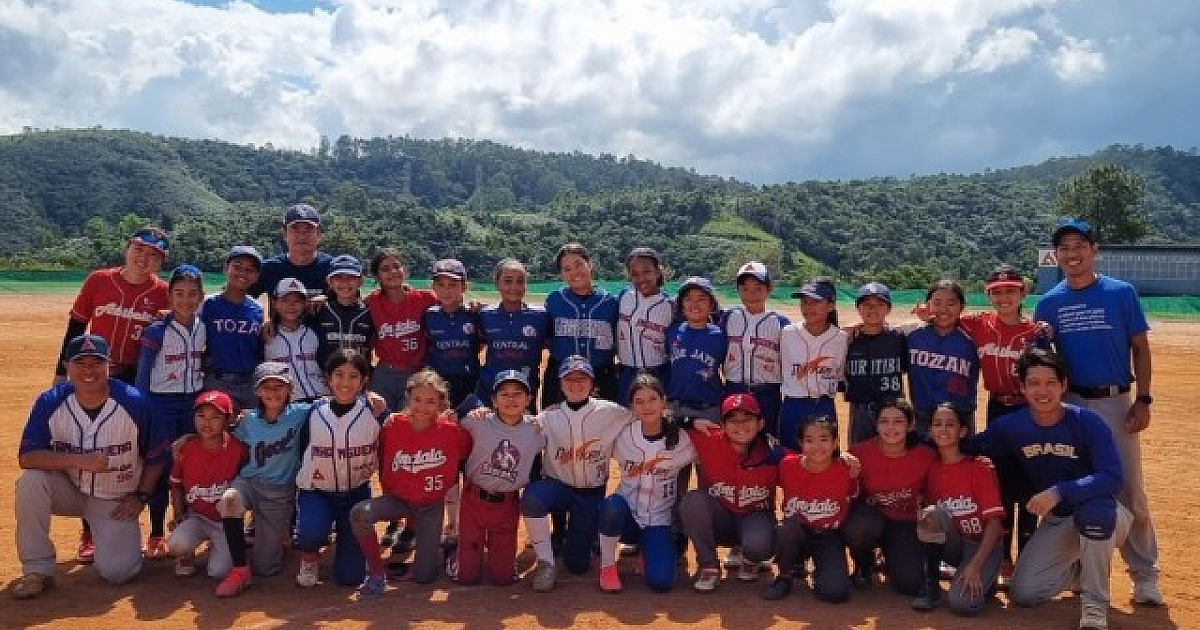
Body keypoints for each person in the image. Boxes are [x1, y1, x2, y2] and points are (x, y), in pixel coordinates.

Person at [1034, 218, 1162, 606]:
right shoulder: (1050, 302)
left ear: (1094, 250)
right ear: (1056, 256)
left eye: (1079, 246)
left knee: (1127, 487)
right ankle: (1074, 568)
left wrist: (1144, 399)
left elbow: (1139, 346)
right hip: (1069, 403)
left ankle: (1143, 575)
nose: (1072, 254)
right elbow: (1044, 358)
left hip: (1113, 400)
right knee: (1070, 483)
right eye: (1064, 248)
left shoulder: (1120, 293)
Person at [962, 347, 1132, 630]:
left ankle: (1094, 607)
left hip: (1104, 513)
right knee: (1024, 592)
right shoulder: (1012, 426)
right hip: (1060, 520)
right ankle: (1079, 567)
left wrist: (1059, 492)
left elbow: (1112, 477)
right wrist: (924, 439)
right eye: (1034, 383)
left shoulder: (1087, 422)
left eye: (1051, 383)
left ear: (1064, 386)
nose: (1043, 391)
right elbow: (967, 446)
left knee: (1095, 515)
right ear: (1022, 388)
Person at [12, 334, 168, 599]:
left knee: (119, 573)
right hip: (69, 489)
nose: (88, 370)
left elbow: (157, 456)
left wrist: (141, 497)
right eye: (80, 363)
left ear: (110, 366)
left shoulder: (133, 402)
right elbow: (27, 457)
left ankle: (114, 537)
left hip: (114, 500)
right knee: (30, 483)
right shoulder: (50, 402)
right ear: (67, 367)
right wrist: (78, 460)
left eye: (96, 362)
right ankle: (37, 570)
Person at [350, 369, 472, 597]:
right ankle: (376, 573)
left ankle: (448, 546)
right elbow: (380, 455)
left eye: (431, 401)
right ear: (408, 398)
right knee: (360, 514)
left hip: (430, 506)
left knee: (424, 577)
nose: (423, 407)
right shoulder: (392, 425)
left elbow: (468, 453)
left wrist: (475, 415)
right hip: (399, 501)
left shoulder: (451, 431)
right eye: (417, 399)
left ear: (440, 404)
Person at [957, 264, 1045, 576]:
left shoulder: (1036, 332)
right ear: (988, 295)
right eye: (997, 292)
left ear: (1023, 292)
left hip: (1029, 411)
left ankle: (1028, 557)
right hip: (997, 408)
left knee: (1030, 481)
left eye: (1011, 290)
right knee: (1001, 482)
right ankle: (1003, 557)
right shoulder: (978, 324)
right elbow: (941, 317)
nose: (1004, 297)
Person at [521, 355, 633, 591]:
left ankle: (582, 540)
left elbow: (645, 416)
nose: (575, 383)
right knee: (532, 496)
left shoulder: (612, 411)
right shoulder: (547, 417)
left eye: (582, 378)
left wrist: (686, 422)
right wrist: (480, 414)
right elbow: (513, 425)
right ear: (560, 384)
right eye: (569, 379)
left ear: (592, 382)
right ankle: (546, 562)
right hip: (558, 489)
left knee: (578, 565)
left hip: (590, 494)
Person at [213, 361, 313, 597]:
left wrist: (367, 398)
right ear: (256, 391)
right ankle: (239, 569)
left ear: (290, 390)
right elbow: (218, 437)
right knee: (230, 500)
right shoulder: (247, 420)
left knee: (265, 568)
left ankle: (273, 534)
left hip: (278, 492)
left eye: (279, 386)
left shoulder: (301, 413)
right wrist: (187, 438)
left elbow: (334, 403)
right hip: (248, 483)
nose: (273, 392)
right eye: (266, 387)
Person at [293, 349, 383, 588]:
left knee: (350, 578)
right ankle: (309, 557)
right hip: (317, 491)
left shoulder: (375, 413)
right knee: (312, 532)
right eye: (339, 375)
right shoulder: (312, 412)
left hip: (356, 494)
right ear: (328, 378)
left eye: (354, 376)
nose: (345, 382)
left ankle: (348, 545)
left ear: (364, 381)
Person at [598, 373, 696, 593]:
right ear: (631, 407)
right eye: (639, 402)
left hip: (658, 520)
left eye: (652, 399)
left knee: (661, 582)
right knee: (611, 506)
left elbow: (712, 447)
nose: (647, 406)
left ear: (664, 401)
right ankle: (607, 566)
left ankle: (648, 550)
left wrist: (693, 421)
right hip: (626, 517)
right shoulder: (622, 435)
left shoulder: (682, 438)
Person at [135, 264, 207, 559]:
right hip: (161, 404)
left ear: (202, 296)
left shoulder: (203, 327)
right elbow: (142, 374)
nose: (185, 300)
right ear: (169, 295)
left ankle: (184, 524)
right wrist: (143, 410)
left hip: (191, 402)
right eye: (179, 293)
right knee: (161, 465)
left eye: (193, 294)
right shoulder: (157, 330)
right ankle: (155, 532)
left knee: (187, 464)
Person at [680, 393, 782, 592]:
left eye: (748, 419)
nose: (740, 425)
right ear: (722, 424)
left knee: (759, 543)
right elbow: (662, 421)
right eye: (733, 420)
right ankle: (709, 565)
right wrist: (690, 420)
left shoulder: (772, 452)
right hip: (721, 520)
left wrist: (843, 460)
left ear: (761, 423)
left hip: (755, 518)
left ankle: (751, 557)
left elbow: (808, 464)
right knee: (692, 502)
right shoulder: (707, 439)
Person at [912, 402, 1004, 614]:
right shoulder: (931, 467)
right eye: (937, 424)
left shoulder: (979, 468)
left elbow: (994, 524)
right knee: (931, 514)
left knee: (963, 604)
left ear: (962, 431)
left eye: (950, 424)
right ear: (930, 430)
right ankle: (931, 587)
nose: (943, 430)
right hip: (954, 544)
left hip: (982, 547)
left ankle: (984, 578)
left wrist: (976, 566)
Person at [457, 370, 545, 586]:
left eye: (518, 394)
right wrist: (466, 409)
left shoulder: (537, 430)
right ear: (493, 400)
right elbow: (447, 422)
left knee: (502, 578)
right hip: (473, 499)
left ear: (529, 399)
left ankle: (498, 559)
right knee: (466, 576)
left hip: (507, 504)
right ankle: (455, 553)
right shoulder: (476, 421)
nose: (511, 399)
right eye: (504, 394)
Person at [842, 398, 936, 597]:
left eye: (898, 421)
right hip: (872, 517)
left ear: (910, 425)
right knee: (860, 528)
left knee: (909, 583)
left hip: (904, 522)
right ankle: (864, 562)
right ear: (876, 425)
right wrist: (839, 455)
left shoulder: (926, 455)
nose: (890, 427)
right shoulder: (859, 453)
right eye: (884, 421)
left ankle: (892, 555)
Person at [55, 226, 170, 388]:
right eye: (138, 249)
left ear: (160, 262)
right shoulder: (99, 280)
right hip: (95, 368)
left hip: (138, 375)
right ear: (127, 249)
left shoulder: (165, 293)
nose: (143, 258)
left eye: (153, 255)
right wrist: (60, 375)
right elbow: (75, 329)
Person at [764, 415, 856, 603]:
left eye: (824, 439)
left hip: (828, 536)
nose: (817, 447)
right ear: (800, 443)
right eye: (809, 440)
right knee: (787, 529)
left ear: (836, 442)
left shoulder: (846, 468)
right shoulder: (787, 465)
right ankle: (785, 574)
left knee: (835, 593)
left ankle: (823, 569)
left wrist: (846, 456)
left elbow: (856, 495)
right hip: (797, 532)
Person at [167, 390, 248, 584]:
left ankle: (224, 545)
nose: (207, 422)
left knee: (218, 572)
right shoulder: (185, 449)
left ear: (227, 420)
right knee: (177, 544)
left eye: (215, 417)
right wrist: (179, 514)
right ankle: (186, 554)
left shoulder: (239, 449)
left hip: (225, 523)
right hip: (198, 517)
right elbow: (176, 485)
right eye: (201, 416)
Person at [542, 243, 619, 406]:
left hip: (602, 374)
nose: (574, 272)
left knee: (602, 427)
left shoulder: (611, 302)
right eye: (567, 269)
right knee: (557, 426)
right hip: (561, 376)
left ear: (589, 265)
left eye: (578, 265)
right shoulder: (554, 300)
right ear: (561, 274)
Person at [721, 261, 789, 441]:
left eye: (758, 288)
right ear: (737, 290)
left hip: (767, 393)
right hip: (734, 389)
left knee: (768, 442)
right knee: (734, 442)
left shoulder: (781, 323)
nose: (751, 294)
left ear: (769, 289)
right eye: (745, 288)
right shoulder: (727, 317)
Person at [364, 247, 438, 411]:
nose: (392, 272)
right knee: (380, 423)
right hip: (385, 374)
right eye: (385, 269)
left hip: (416, 374)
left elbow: (452, 305)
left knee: (410, 423)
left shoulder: (425, 298)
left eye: (396, 266)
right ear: (377, 277)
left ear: (404, 270)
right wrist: (326, 297)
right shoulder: (371, 302)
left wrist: (473, 304)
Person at [779, 281, 847, 451]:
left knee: (826, 457)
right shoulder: (787, 333)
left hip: (823, 403)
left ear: (831, 305)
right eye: (805, 302)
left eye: (816, 302)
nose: (808, 308)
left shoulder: (841, 338)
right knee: (790, 456)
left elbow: (839, 374)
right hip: (793, 403)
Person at [476, 259, 551, 409]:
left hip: (524, 391)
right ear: (496, 283)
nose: (514, 287)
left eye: (520, 281)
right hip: (490, 389)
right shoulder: (485, 314)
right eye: (508, 281)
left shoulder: (541, 316)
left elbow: (551, 346)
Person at [907, 280, 979, 435]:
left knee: (961, 459)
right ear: (928, 305)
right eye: (937, 303)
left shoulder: (974, 338)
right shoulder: (912, 334)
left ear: (962, 307)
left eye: (951, 303)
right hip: (922, 417)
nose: (943, 310)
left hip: (960, 418)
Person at [200, 245, 265, 414]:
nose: (243, 273)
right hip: (218, 380)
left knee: (249, 434)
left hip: (249, 383)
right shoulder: (208, 304)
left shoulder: (257, 308)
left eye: (250, 270)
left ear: (257, 277)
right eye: (237, 266)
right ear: (225, 268)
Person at [843, 282, 907, 444]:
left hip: (891, 408)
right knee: (860, 453)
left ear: (888, 309)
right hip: (861, 408)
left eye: (880, 304)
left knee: (894, 451)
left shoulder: (898, 338)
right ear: (858, 308)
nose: (873, 309)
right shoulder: (848, 340)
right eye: (867, 304)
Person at [616, 247, 673, 405]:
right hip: (626, 372)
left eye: (647, 271)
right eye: (635, 274)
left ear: (658, 271)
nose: (641, 278)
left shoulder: (670, 306)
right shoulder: (623, 297)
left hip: (658, 372)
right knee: (626, 419)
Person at [666, 277, 727, 423]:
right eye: (688, 299)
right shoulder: (672, 331)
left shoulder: (720, 336)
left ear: (712, 305)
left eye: (702, 299)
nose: (694, 304)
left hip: (709, 408)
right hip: (676, 406)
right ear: (681, 305)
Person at [423, 259, 482, 408]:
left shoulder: (475, 314)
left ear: (464, 287)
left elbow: (483, 342)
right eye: (440, 285)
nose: (446, 291)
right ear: (433, 287)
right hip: (437, 383)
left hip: (469, 381)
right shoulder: (428, 315)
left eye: (453, 285)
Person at [262, 278, 328, 401]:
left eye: (297, 301)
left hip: (321, 398)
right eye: (285, 300)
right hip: (288, 403)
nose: (291, 306)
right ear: (274, 303)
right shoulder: (266, 334)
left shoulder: (315, 331)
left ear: (305, 304)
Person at [249, 203, 333, 298]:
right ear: (284, 234)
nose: (301, 236)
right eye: (295, 230)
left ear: (319, 234)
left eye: (308, 230)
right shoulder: (269, 269)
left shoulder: (332, 268)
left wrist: (327, 301)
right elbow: (241, 299)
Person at [313, 254, 375, 370]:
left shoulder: (370, 311)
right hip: (324, 378)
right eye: (338, 277)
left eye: (351, 277)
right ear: (329, 281)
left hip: (359, 378)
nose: (345, 282)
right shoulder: (318, 309)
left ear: (361, 281)